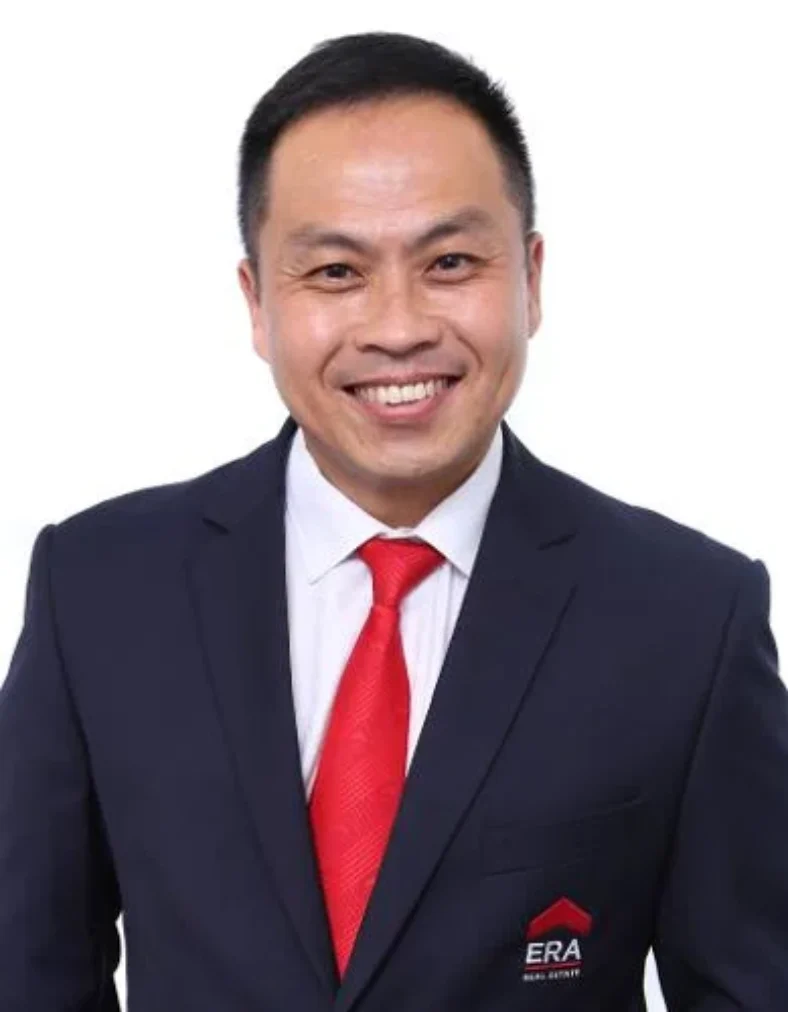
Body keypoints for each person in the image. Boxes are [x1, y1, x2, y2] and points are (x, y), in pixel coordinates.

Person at [1, 29, 786, 1012]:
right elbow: (26, 971)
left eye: (450, 261)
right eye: (336, 272)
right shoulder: (99, 590)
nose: (399, 326)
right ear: (256, 302)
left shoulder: (690, 616)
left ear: (530, 279)